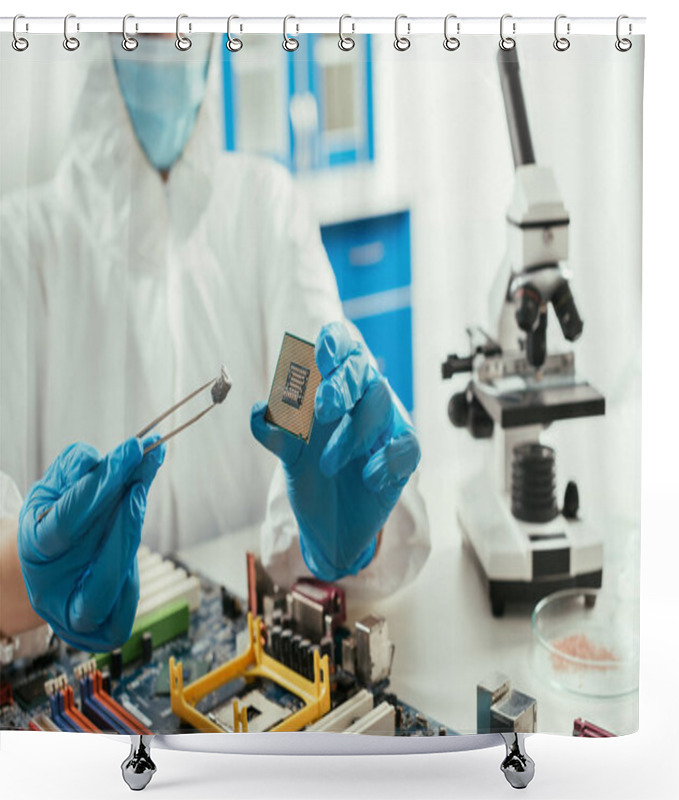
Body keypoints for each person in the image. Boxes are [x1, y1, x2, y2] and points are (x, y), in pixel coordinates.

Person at [0, 34, 429, 655]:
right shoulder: (19, 244)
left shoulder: (264, 208)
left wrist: (352, 526)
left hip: (247, 640)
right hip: (76, 669)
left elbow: (305, 376)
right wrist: (22, 572)